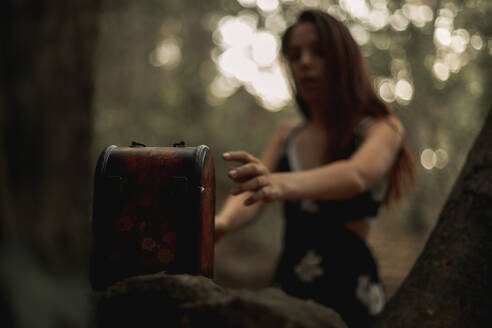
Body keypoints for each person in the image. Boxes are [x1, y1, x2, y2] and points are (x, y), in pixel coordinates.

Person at [214, 9, 417, 328]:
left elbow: (356, 175)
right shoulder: (286, 138)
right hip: (287, 288)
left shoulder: (381, 129)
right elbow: (252, 192)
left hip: (351, 291)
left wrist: (278, 183)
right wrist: (222, 223)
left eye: (319, 52)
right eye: (294, 56)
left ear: (344, 60)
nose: (304, 62)